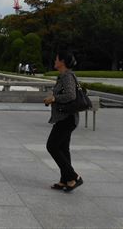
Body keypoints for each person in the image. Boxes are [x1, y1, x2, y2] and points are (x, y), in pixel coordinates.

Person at [43, 50, 83, 192]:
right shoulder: (62, 76)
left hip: (67, 118)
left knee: (52, 146)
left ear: (62, 62)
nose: (55, 61)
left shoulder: (67, 76)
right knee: (63, 149)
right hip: (65, 117)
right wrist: (52, 99)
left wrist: (54, 98)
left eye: (56, 58)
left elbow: (71, 95)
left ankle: (74, 177)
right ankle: (66, 180)